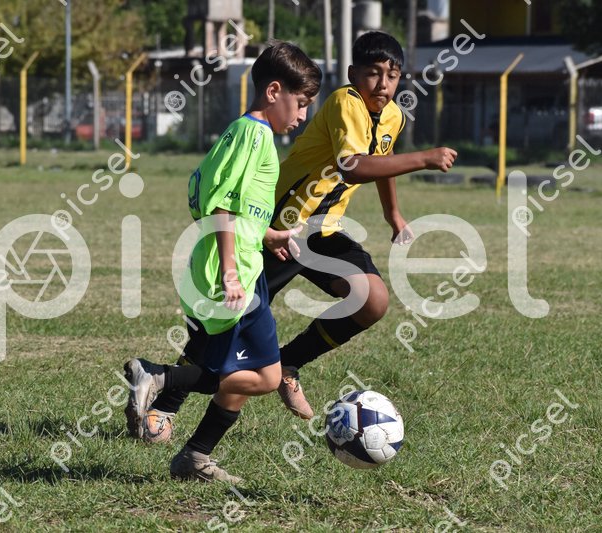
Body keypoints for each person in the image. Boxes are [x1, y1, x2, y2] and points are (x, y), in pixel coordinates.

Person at [144, 30, 457, 441]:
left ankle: (288, 363)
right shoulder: (345, 102)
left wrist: (393, 213)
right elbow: (352, 165)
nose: (383, 84)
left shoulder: (394, 116)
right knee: (225, 326)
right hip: (282, 226)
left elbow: (384, 161)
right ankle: (165, 404)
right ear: (353, 74)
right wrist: (424, 158)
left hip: (323, 231)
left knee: (373, 300)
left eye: (393, 75)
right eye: (373, 73)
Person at [124, 42, 322, 483]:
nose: (303, 115)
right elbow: (221, 207)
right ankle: (160, 379)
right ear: (274, 91)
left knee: (244, 374)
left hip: (233, 265)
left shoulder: (241, 133)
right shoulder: (255, 136)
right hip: (231, 273)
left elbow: (222, 200)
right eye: (301, 102)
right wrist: (231, 270)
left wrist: (266, 235)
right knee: (264, 377)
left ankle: (193, 455)